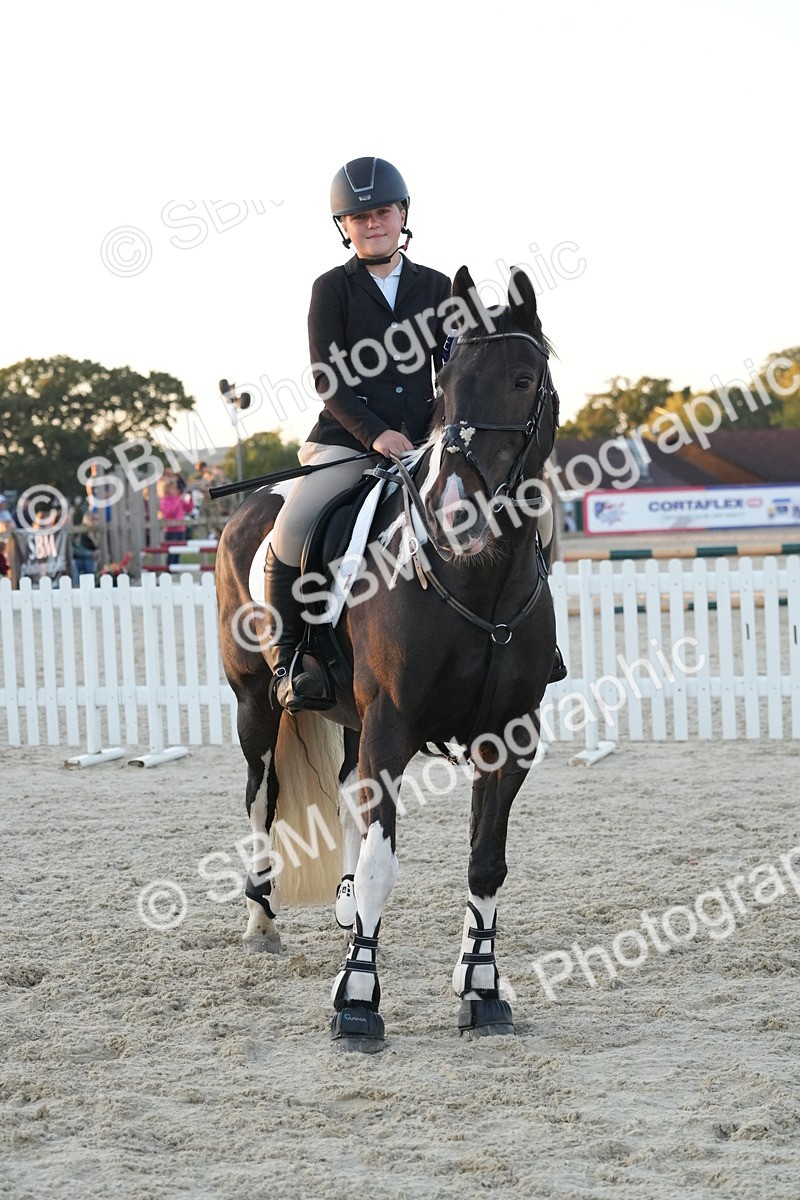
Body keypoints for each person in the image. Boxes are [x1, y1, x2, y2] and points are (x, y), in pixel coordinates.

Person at [265, 156, 452, 709]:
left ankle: (529, 646)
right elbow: (328, 378)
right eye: (359, 216)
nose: (373, 224)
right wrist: (375, 436)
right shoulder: (332, 290)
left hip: (423, 444)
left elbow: (453, 368)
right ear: (344, 227)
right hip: (347, 442)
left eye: (383, 213)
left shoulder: (438, 287)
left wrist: (435, 431)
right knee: (292, 531)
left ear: (402, 215)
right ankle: (290, 661)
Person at [159, 474, 194, 565]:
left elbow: (188, 509)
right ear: (167, 489)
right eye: (172, 488)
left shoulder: (178, 499)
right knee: (172, 552)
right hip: (171, 530)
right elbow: (170, 512)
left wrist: (190, 499)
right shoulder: (164, 500)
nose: (175, 490)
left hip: (180, 529)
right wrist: (178, 501)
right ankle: (170, 568)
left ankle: (175, 567)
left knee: (178, 551)